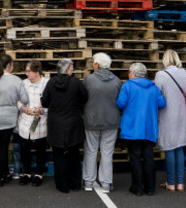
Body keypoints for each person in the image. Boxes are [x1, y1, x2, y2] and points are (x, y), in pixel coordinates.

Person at [117, 62, 166, 197]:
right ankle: (150, 188)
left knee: (135, 158)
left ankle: (137, 188)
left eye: (128, 72)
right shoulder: (153, 87)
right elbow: (162, 103)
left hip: (132, 129)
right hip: (149, 129)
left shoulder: (128, 85)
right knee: (149, 157)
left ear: (133, 73)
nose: (128, 74)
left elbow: (120, 103)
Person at [0, 53, 29, 187]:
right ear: (8, 66)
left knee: (0, 146)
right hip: (9, 119)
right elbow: (24, 99)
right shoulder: (16, 80)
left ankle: (2, 175)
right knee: (4, 146)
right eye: (12, 65)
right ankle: (2, 175)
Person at [41, 58, 88, 193]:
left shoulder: (50, 83)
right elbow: (84, 97)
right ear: (68, 69)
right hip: (73, 121)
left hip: (56, 123)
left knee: (58, 154)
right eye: (72, 68)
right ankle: (75, 183)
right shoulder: (75, 82)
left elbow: (44, 102)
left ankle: (62, 185)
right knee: (74, 153)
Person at [82, 52, 121, 193]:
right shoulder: (116, 80)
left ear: (97, 65)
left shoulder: (89, 80)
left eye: (93, 62)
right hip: (111, 121)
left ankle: (88, 181)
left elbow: (83, 98)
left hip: (92, 120)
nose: (92, 64)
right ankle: (106, 183)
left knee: (91, 150)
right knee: (107, 152)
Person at [154, 50, 186, 192]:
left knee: (169, 147)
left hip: (166, 115)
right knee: (179, 147)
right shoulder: (185, 73)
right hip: (181, 114)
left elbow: (157, 96)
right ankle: (180, 183)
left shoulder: (160, 75)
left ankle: (170, 183)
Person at [17, 60, 49, 187]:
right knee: (25, 149)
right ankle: (27, 173)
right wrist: (24, 109)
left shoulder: (47, 84)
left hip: (41, 122)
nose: (26, 74)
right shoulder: (23, 84)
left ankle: (39, 174)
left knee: (41, 149)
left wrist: (41, 110)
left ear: (36, 72)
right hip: (25, 121)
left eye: (28, 71)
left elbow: (53, 104)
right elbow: (17, 100)